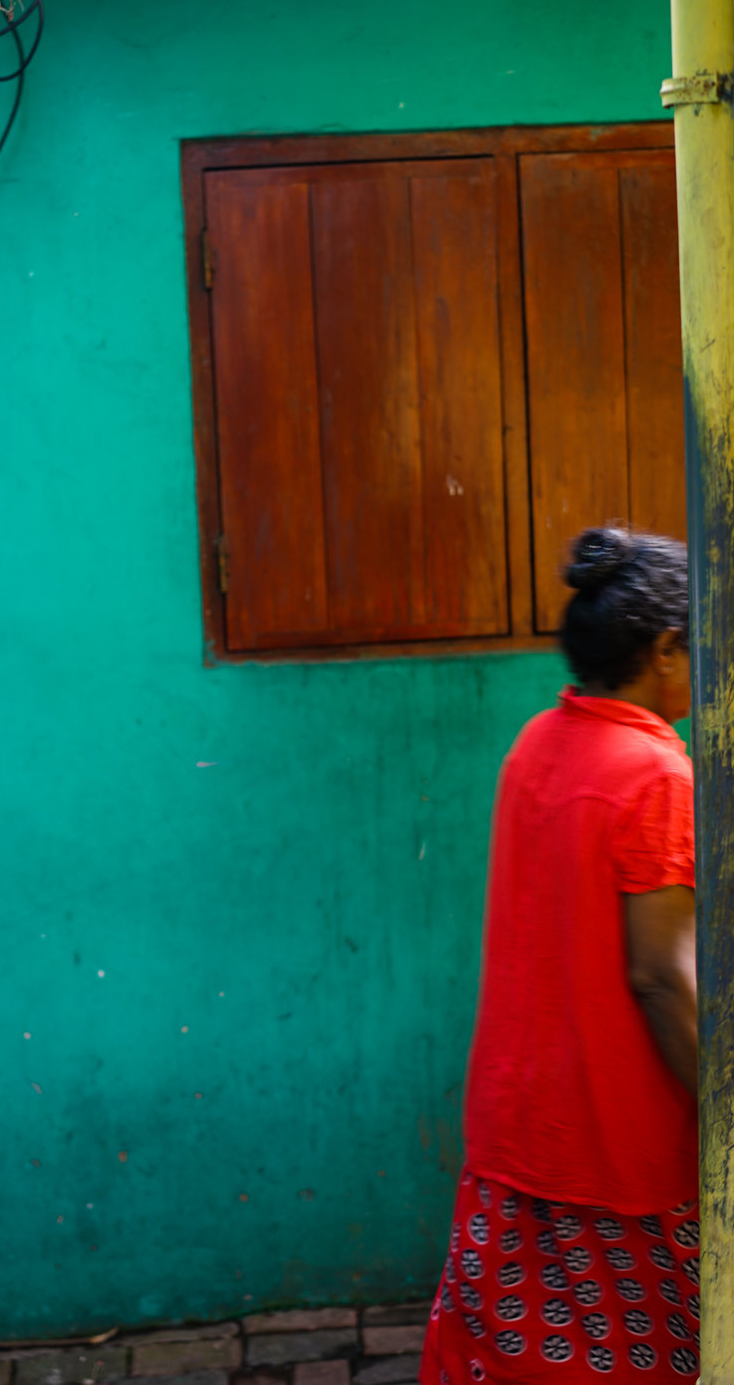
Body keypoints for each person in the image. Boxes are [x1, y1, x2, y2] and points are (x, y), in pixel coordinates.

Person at [419, 526, 698, 1385]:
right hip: (623, 1152)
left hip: (520, 1130)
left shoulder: (537, 743)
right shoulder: (656, 774)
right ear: (661, 650)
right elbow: (660, 976)